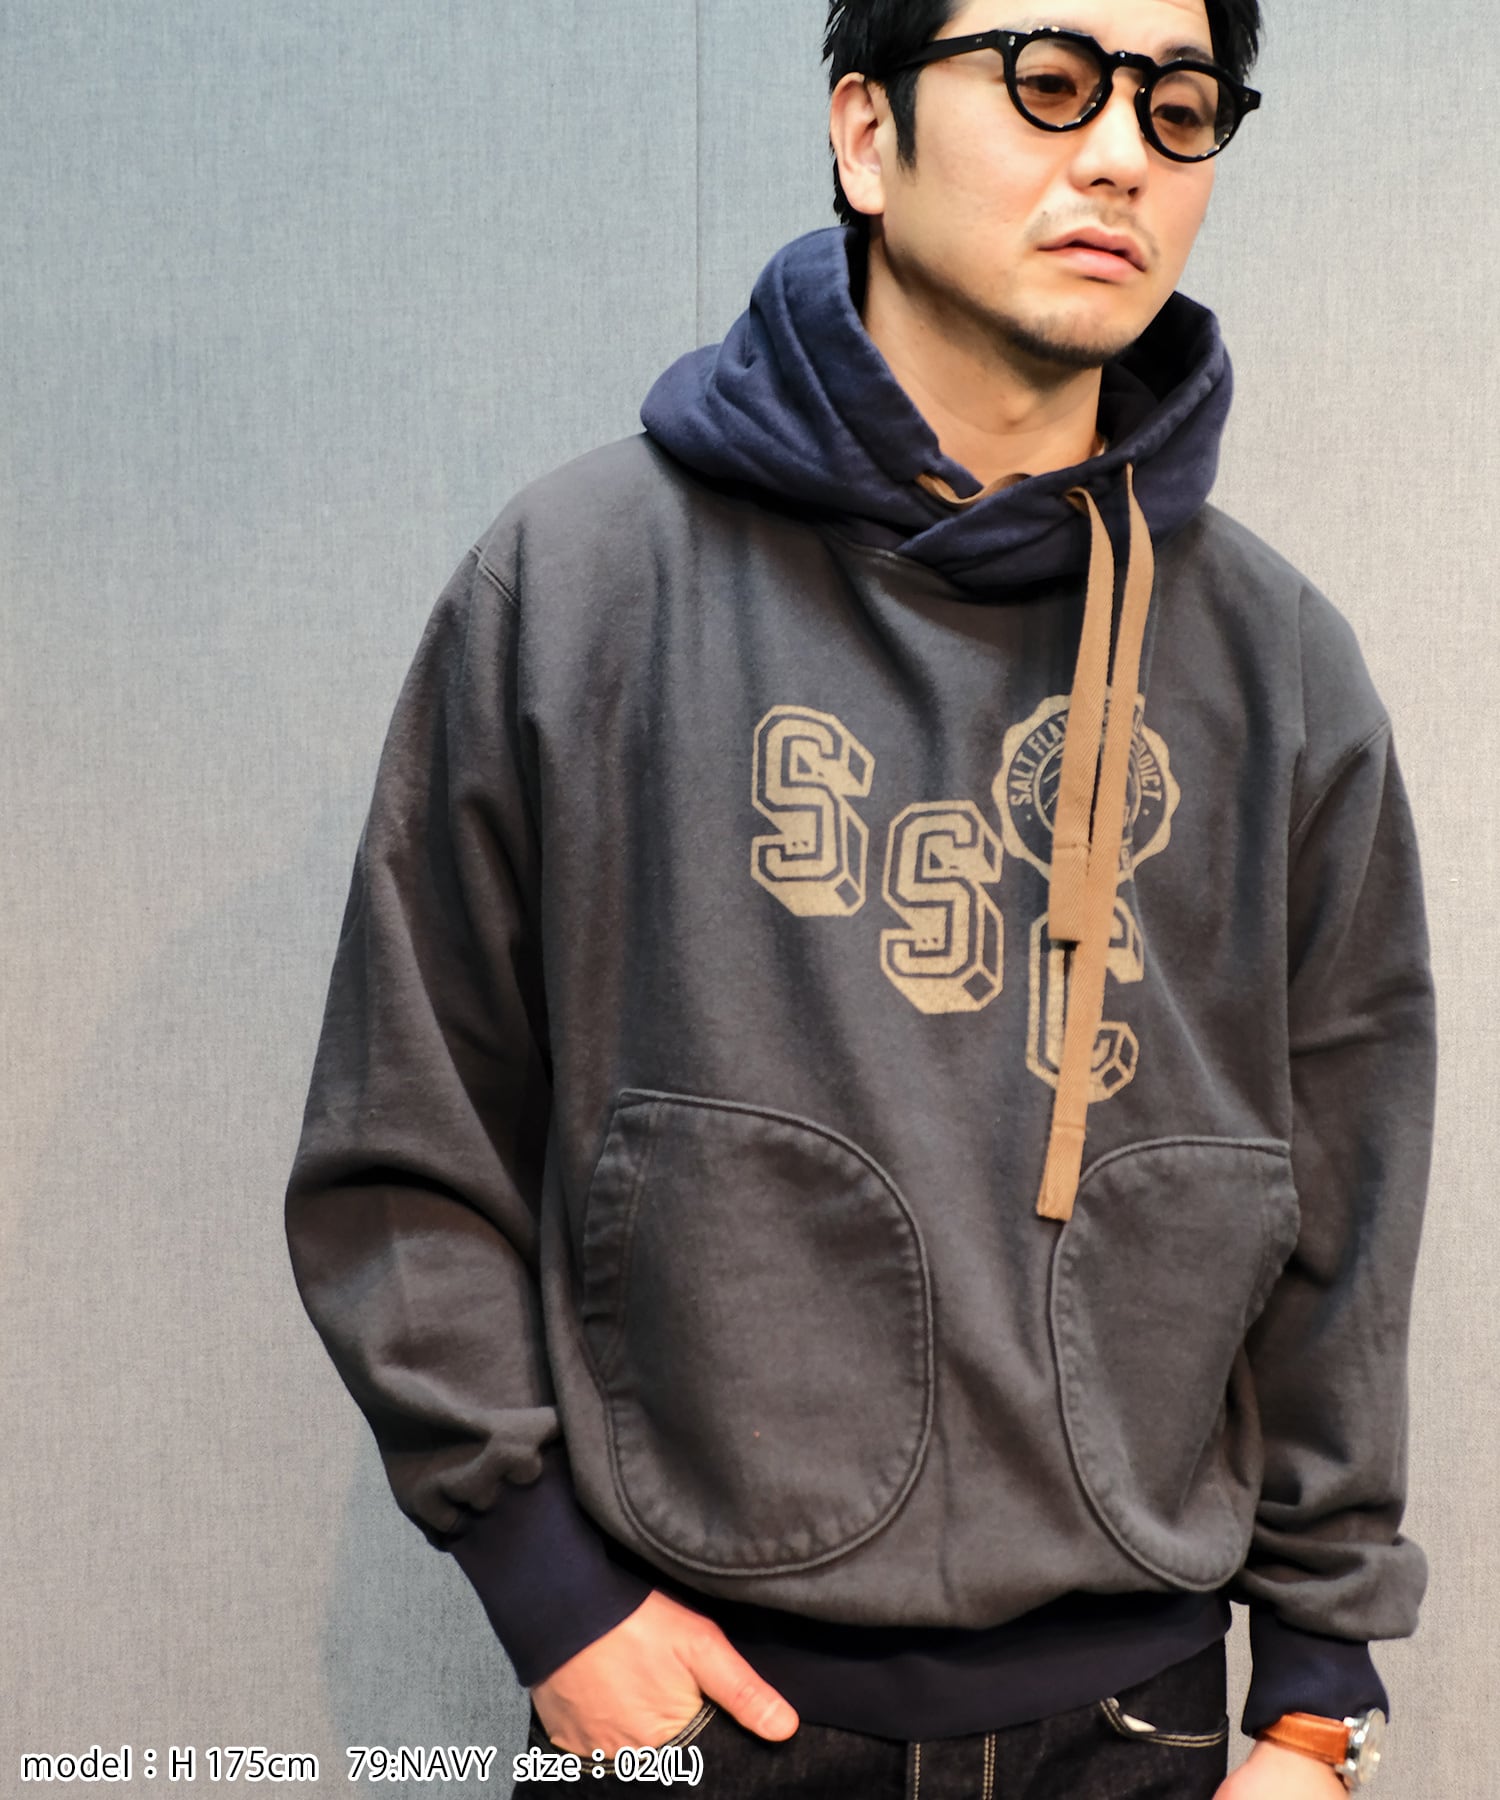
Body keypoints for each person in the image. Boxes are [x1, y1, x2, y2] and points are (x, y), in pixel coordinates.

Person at [283, 0, 1435, 1794]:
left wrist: (1315, 1696)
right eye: (1052, 81)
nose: (1120, 153)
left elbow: (1346, 1188)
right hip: (701, 1714)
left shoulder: (1279, 666)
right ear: (866, 133)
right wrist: (551, 1599)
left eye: (1181, 104)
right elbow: (402, 1144)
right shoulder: (582, 587)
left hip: (1141, 1725)